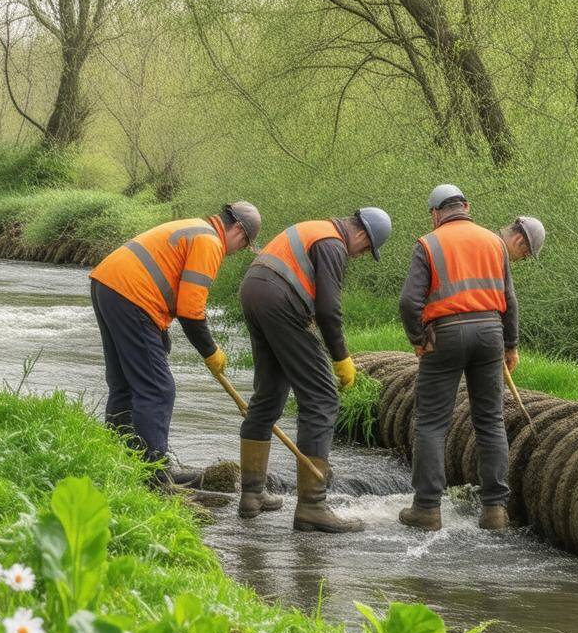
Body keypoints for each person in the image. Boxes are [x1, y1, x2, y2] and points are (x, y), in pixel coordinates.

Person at [397, 184, 545, 531]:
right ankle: (495, 511)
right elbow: (509, 299)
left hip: (445, 335)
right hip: (490, 334)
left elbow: (408, 302)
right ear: (466, 206)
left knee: (431, 422)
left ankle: (427, 510)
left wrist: (418, 339)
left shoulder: (428, 244)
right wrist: (511, 345)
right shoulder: (494, 242)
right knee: (490, 420)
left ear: (436, 213)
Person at [238, 208, 393, 531]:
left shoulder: (314, 229)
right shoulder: (332, 243)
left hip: (254, 291)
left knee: (269, 394)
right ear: (361, 234)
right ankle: (312, 505)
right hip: (279, 299)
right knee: (322, 398)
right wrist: (341, 358)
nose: (360, 255)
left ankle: (251, 494)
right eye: (366, 249)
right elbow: (328, 309)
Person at [89, 202, 261, 486]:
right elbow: (191, 311)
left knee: (124, 384)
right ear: (239, 231)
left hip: (107, 285)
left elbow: (171, 291)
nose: (237, 251)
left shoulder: (195, 227)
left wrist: (161, 334)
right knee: (158, 389)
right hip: (131, 294)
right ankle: (155, 475)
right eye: (244, 246)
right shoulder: (210, 242)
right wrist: (211, 351)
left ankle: (121, 460)